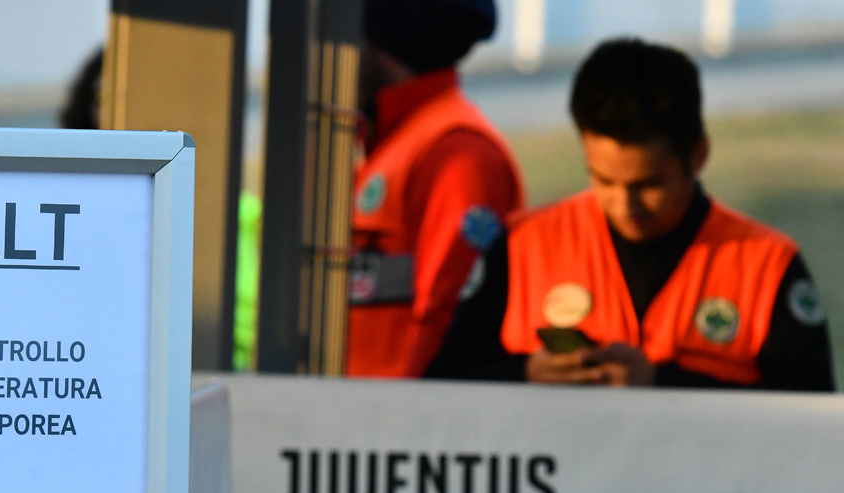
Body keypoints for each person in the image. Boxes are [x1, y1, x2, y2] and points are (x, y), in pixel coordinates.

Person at [428, 37, 834, 391]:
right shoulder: (520, 247)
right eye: (603, 180)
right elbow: (442, 385)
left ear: (699, 155)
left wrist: (662, 384)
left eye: (650, 185)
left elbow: (809, 423)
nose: (626, 205)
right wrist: (526, 374)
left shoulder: (767, 266)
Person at [346, 0, 525, 378]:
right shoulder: (386, 144)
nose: (332, 49)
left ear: (384, 44)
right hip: (344, 421)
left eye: (348, 31)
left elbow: (447, 321)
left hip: (387, 427)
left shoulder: (456, 152)